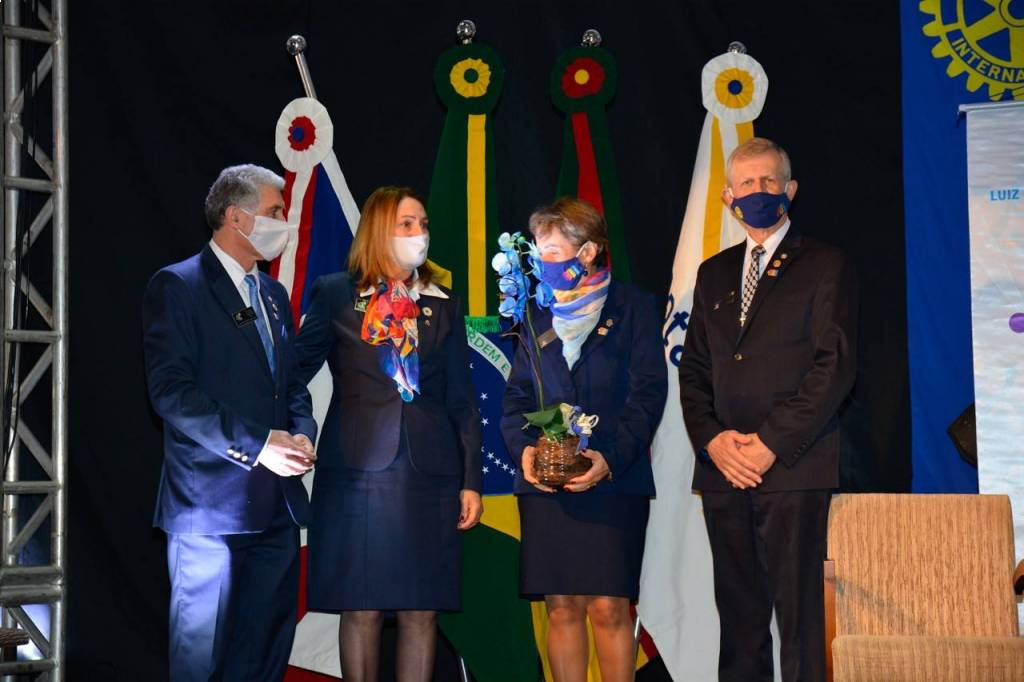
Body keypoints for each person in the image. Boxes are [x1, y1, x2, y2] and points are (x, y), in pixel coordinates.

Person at [679, 137, 858, 681]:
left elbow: (834, 367)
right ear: (729, 197)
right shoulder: (712, 273)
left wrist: (769, 444)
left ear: (790, 189)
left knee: (803, 625)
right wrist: (713, 441)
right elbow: (694, 371)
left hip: (794, 470)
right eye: (746, 183)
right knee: (739, 626)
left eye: (768, 181)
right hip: (724, 472)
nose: (758, 191)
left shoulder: (825, 263)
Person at [293, 186, 483, 682]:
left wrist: (471, 480)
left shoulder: (444, 303)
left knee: (421, 610)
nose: (420, 233)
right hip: (357, 476)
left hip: (430, 476)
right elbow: (291, 374)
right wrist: (295, 429)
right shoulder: (336, 293)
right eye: (407, 224)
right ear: (379, 230)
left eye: (423, 224)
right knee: (362, 607)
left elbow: (462, 400)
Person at [142, 164, 317, 682]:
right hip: (210, 513)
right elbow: (172, 394)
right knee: (203, 659)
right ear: (236, 217)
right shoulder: (179, 285)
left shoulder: (273, 295)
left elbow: (291, 384)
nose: (285, 222)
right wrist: (259, 444)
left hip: (277, 509)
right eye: (275, 212)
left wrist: (302, 432)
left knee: (263, 656)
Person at [500, 197, 667, 682]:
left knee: (609, 608)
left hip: (613, 480)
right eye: (539, 253)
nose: (543, 264)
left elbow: (648, 394)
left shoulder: (634, 307)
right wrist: (525, 452)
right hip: (547, 485)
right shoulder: (534, 314)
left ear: (588, 251)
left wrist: (608, 459)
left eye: (553, 253)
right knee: (561, 607)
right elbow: (516, 399)